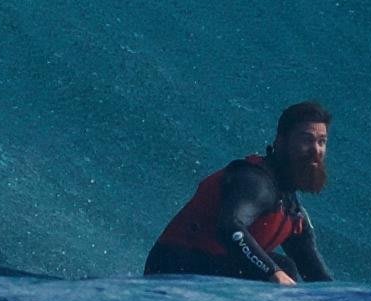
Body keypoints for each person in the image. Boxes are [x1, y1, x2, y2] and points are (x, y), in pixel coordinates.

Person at [142, 102, 333, 283]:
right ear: (281, 141)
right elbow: (229, 227)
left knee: (285, 268)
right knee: (282, 269)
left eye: (321, 142)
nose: (316, 150)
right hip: (171, 269)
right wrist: (272, 272)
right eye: (306, 140)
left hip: (209, 273)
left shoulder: (291, 209)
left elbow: (315, 273)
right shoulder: (255, 182)